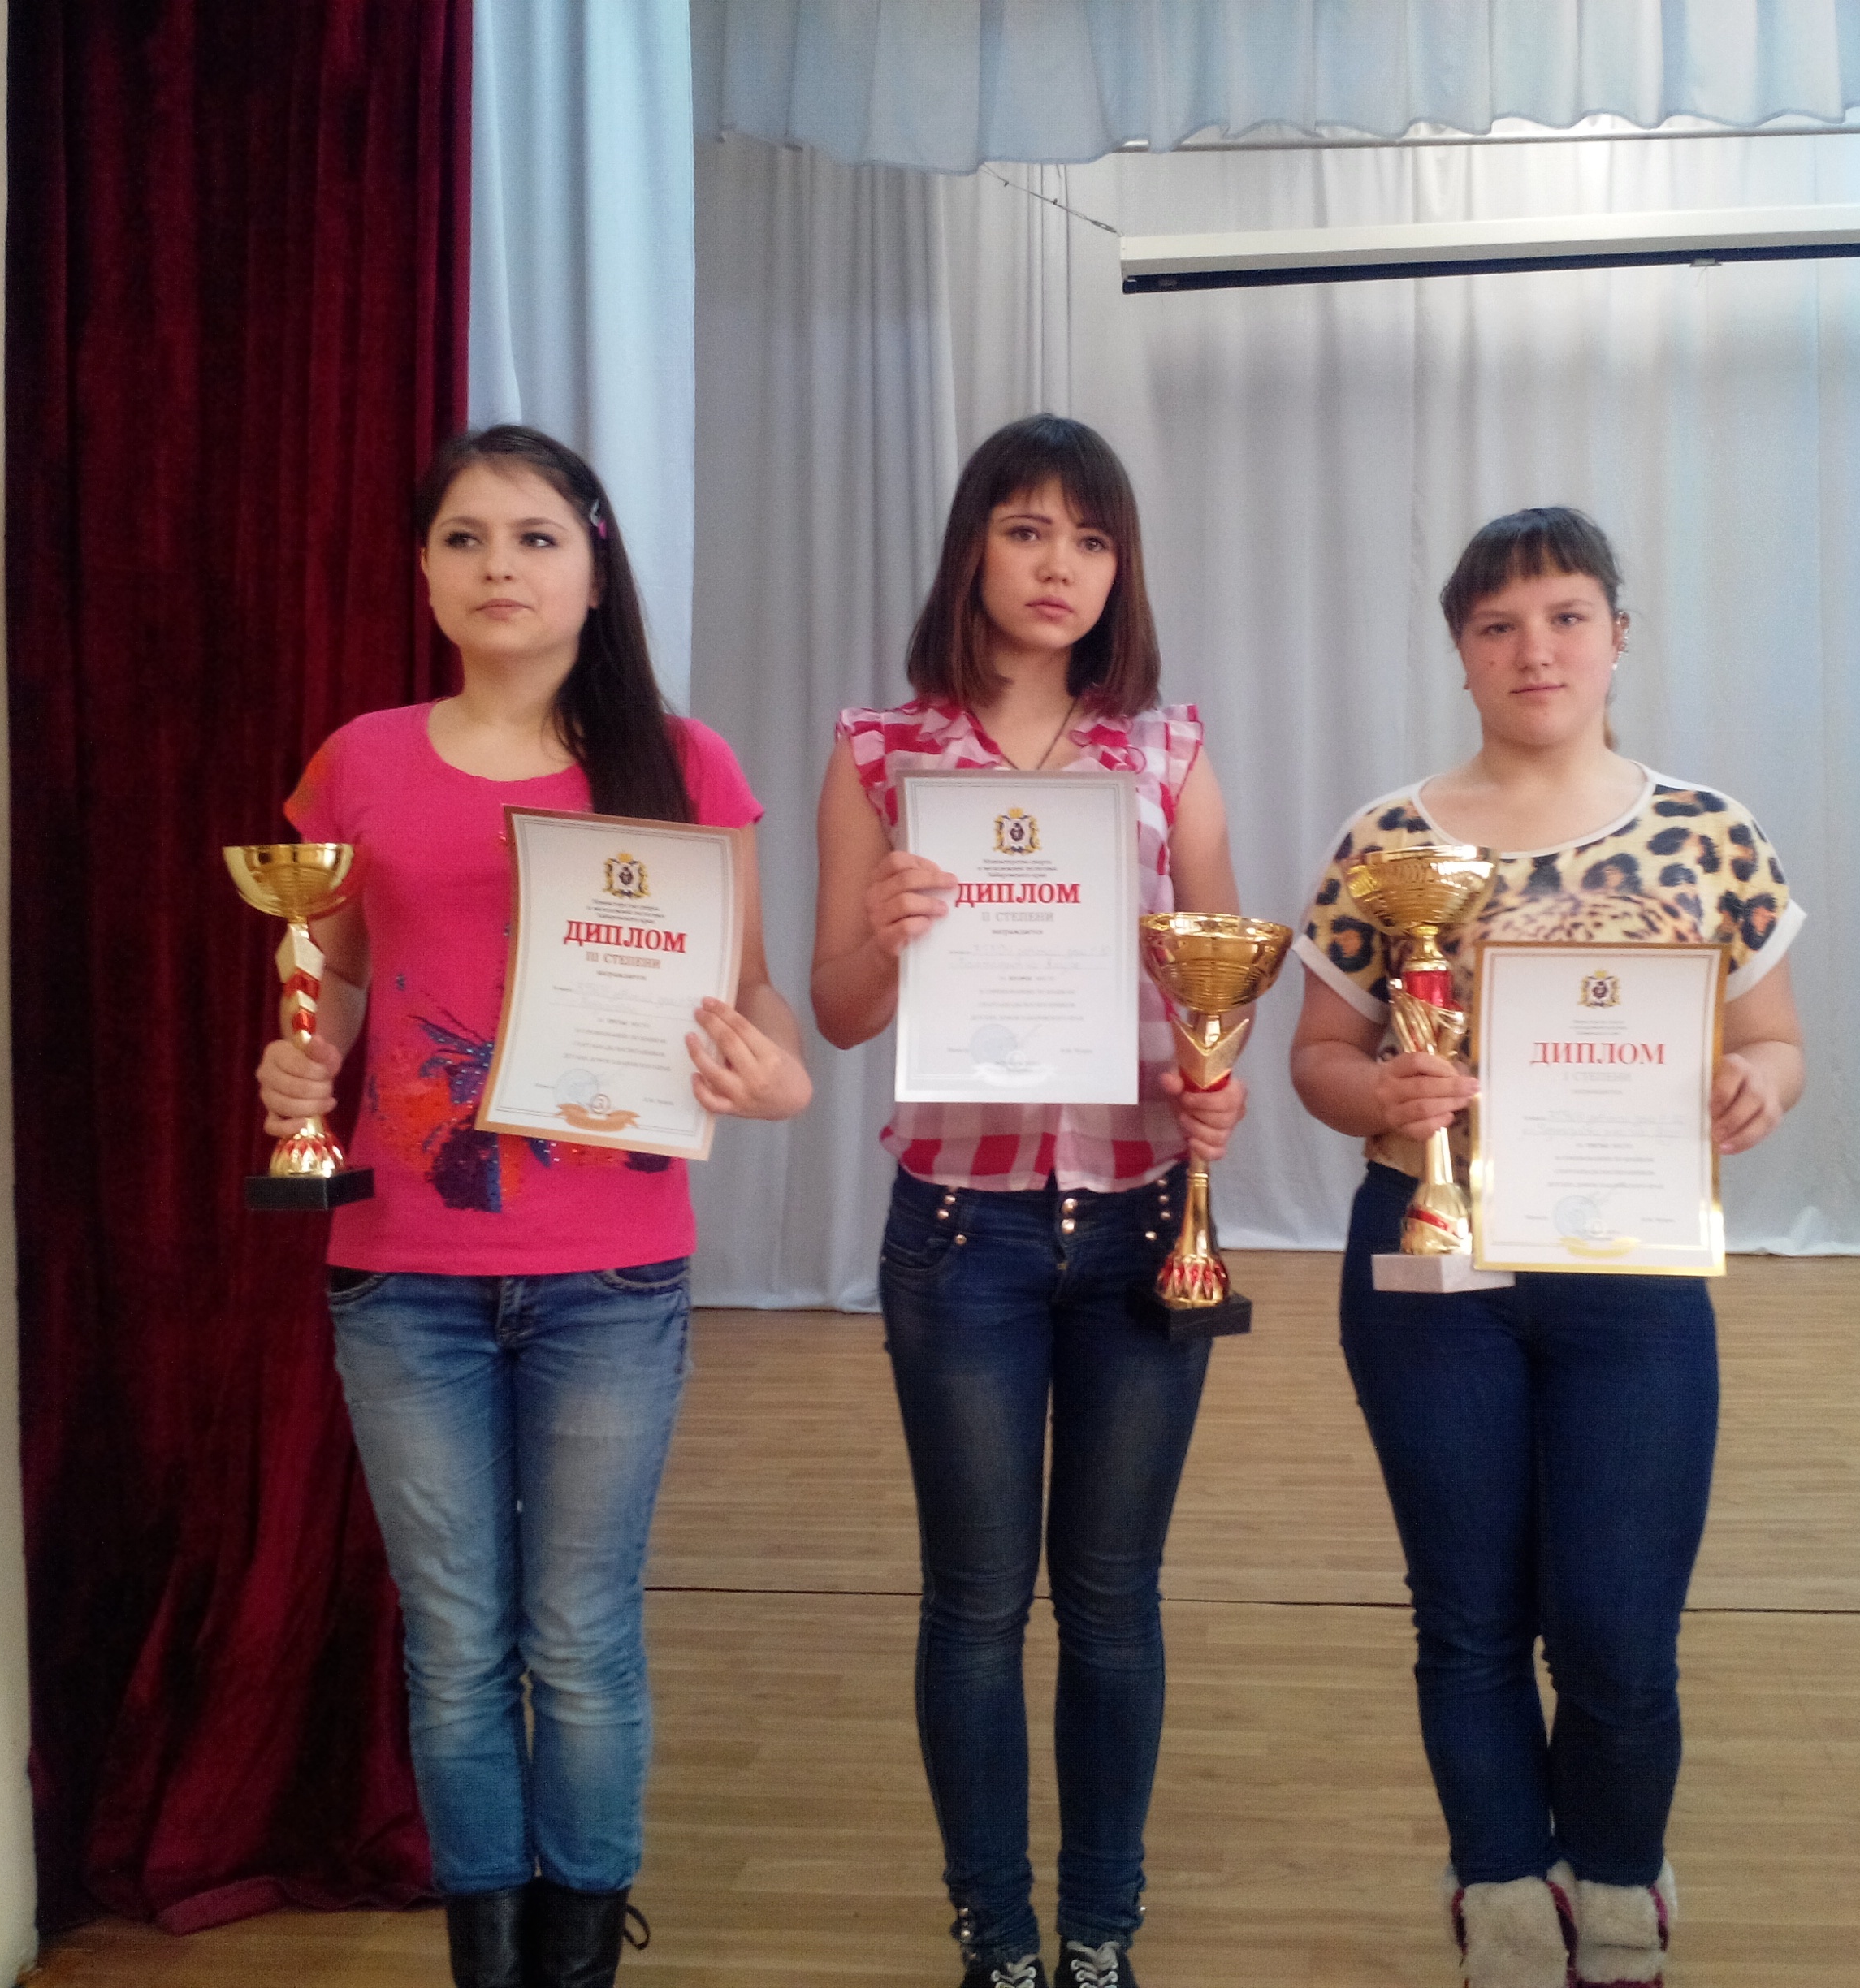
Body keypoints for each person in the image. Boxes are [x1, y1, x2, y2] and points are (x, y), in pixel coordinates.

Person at [256, 425, 811, 1988]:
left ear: (595, 566)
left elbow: (751, 985)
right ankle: (488, 1960)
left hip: (610, 1270)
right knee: (452, 1645)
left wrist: (771, 1071)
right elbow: (332, 971)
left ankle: (577, 1957)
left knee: (578, 1636)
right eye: (465, 538)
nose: (499, 565)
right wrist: (299, 1063)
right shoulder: (361, 759)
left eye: (535, 536)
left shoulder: (681, 762)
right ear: (427, 571)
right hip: (402, 1269)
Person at [1288, 508, 1805, 1988]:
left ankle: (1622, 1879)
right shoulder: (1386, 839)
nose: (1537, 649)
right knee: (1467, 1616)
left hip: (1634, 1272)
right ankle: (1503, 1889)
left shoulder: (1712, 831)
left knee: (1619, 1631)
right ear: (1461, 651)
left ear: (1618, 638)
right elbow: (1319, 1058)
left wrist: (1757, 1084)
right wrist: (1381, 1095)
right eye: (1500, 625)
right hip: (1431, 1267)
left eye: (1568, 617)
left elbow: (1775, 1039)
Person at [811, 415, 1245, 1988]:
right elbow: (839, 1011)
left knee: (1116, 1605)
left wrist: (1213, 1080)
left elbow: (1220, 981)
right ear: (972, 548)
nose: (1060, 565)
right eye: (1026, 529)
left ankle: (1102, 1927)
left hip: (1138, 1218)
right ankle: (995, 1931)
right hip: (960, 1232)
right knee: (978, 1603)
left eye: (1092, 537)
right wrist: (881, 931)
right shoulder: (881, 752)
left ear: (1121, 568)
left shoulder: (1166, 750)